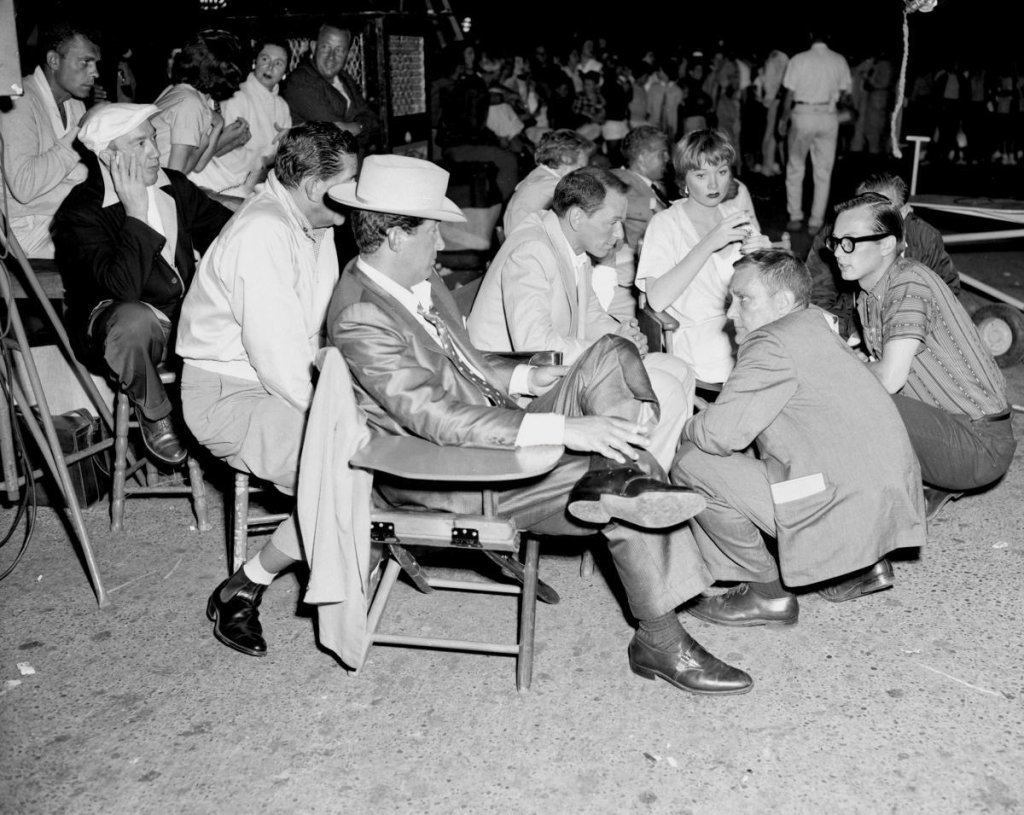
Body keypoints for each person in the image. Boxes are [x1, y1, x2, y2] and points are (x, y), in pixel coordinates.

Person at [328, 154, 753, 696]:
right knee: (620, 472)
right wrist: (564, 430)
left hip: (491, 425)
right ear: (393, 235)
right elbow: (432, 417)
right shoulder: (362, 314)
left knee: (610, 353)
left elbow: (470, 363)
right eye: (433, 232)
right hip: (448, 474)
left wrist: (530, 373)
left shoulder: (415, 282)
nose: (441, 246)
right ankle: (660, 634)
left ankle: (620, 478)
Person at [177, 123, 358, 658]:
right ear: (309, 185)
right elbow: (278, 359)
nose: (356, 193)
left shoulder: (315, 222)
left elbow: (321, 325)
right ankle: (248, 584)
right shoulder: (262, 231)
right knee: (340, 467)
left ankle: (329, 549)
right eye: (347, 181)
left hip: (280, 379)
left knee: (360, 458)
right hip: (229, 394)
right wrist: (342, 413)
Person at [672, 249, 925, 624]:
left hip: (842, 503)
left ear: (784, 302)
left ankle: (765, 593)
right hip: (884, 502)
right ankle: (854, 567)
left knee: (694, 464)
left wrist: (687, 424)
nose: (730, 312)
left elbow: (719, 435)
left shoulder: (768, 342)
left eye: (743, 299)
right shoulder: (814, 325)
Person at [467, 167, 693, 472]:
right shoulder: (531, 251)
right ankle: (629, 483)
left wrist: (621, 333)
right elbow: (537, 346)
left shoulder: (570, 246)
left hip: (564, 369)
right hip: (520, 394)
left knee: (679, 370)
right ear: (576, 218)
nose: (618, 236)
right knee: (664, 390)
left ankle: (653, 473)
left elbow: (590, 313)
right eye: (612, 223)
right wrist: (612, 348)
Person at [53, 104, 232, 464]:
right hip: (117, 331)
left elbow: (228, 233)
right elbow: (122, 290)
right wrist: (136, 213)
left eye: (153, 138)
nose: (155, 151)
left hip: (183, 322)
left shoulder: (173, 186)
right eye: (139, 144)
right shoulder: (80, 213)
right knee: (134, 319)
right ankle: (155, 413)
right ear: (108, 156)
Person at [833, 193, 1016, 516]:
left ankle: (862, 514)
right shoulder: (868, 294)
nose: (837, 252)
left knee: (848, 396)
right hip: (954, 430)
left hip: (979, 443)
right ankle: (928, 481)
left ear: (887, 244)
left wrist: (838, 365)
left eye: (849, 243)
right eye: (834, 242)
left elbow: (888, 379)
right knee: (851, 383)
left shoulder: (908, 283)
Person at [636, 129, 769, 385]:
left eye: (721, 172)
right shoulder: (666, 224)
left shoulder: (736, 215)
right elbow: (657, 299)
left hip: (747, 323)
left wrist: (766, 258)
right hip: (700, 337)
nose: (713, 185)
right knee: (768, 364)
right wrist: (708, 243)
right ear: (684, 180)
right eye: (700, 175)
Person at [807, 170, 961, 337]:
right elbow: (816, 299)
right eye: (865, 208)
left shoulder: (925, 238)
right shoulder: (834, 239)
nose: (874, 221)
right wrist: (853, 332)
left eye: (883, 212)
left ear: (903, 214)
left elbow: (947, 297)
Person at [0, 20, 99, 259]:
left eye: (95, 64)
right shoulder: (18, 101)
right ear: (54, 60)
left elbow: (78, 173)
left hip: (63, 223)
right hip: (26, 234)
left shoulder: (75, 103)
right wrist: (81, 130)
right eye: (85, 62)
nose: (95, 73)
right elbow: (25, 187)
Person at [189, 39, 293, 197]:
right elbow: (227, 156)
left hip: (256, 182)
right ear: (254, 62)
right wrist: (265, 160)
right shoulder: (237, 96)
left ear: (285, 71)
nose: (270, 67)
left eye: (278, 63)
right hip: (220, 181)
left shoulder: (282, 107)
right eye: (265, 59)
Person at [778, 30, 851, 232]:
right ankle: (816, 221)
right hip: (828, 115)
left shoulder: (798, 59)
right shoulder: (839, 60)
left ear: (810, 36)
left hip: (803, 114)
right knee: (823, 171)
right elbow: (846, 94)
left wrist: (783, 118)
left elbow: (789, 94)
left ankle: (795, 216)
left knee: (795, 166)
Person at [152, 30, 251, 178]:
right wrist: (204, 143)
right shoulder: (191, 105)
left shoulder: (183, 92)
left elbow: (198, 165)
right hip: (161, 189)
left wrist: (218, 126)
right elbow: (175, 176)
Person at [279, 23, 381, 151]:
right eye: (326, 47)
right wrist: (361, 126)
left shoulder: (345, 78)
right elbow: (334, 135)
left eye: (339, 50)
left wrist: (355, 127)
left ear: (348, 54)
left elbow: (374, 122)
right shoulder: (300, 81)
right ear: (314, 46)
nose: (331, 57)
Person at [502, 128, 592, 235]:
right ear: (565, 159)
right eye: (581, 167)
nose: (582, 173)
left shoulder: (538, 175)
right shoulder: (552, 186)